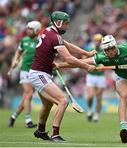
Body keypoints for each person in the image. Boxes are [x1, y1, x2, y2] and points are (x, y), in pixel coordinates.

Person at [57, 35, 127, 143]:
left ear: (115, 46)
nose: (109, 52)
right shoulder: (101, 57)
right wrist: (59, 65)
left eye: (111, 48)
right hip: (123, 79)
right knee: (124, 96)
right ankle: (123, 129)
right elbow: (80, 62)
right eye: (106, 50)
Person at [28, 11, 96, 142]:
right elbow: (69, 59)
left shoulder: (49, 31)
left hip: (40, 73)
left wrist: (86, 53)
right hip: (39, 74)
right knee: (62, 101)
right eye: (65, 24)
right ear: (58, 22)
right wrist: (86, 66)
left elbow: (68, 46)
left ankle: (40, 131)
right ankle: (55, 134)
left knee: (48, 104)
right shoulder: (55, 36)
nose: (67, 26)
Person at [8, 21, 42, 128]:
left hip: (36, 71)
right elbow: (18, 52)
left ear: (36, 30)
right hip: (25, 70)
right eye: (27, 28)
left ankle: (13, 116)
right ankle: (28, 120)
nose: (28, 31)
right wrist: (15, 60)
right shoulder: (24, 40)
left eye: (30, 29)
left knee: (25, 98)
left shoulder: (41, 41)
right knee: (29, 94)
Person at [85, 34, 106, 122]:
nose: (98, 42)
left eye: (99, 40)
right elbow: (84, 59)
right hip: (91, 75)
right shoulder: (90, 49)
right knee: (90, 96)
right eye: (96, 40)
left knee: (98, 97)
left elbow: (106, 61)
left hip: (100, 77)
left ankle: (96, 114)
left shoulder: (104, 50)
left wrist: (103, 65)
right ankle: (90, 109)